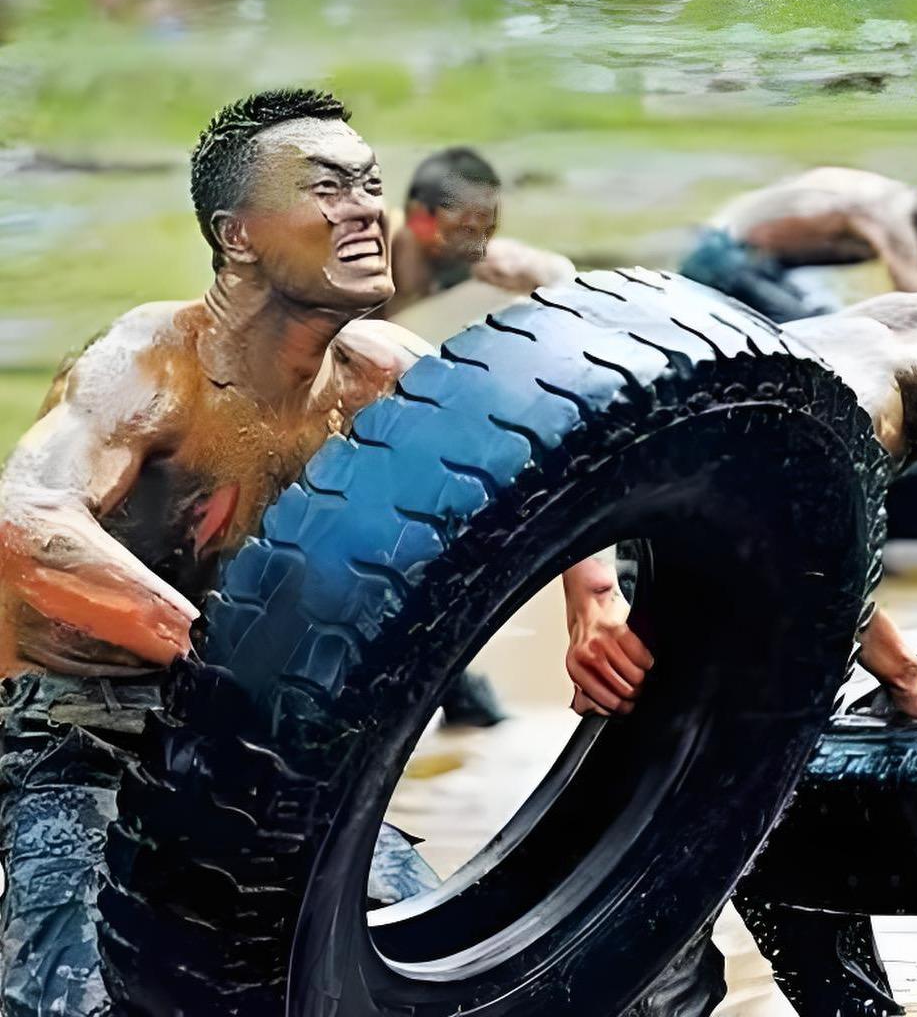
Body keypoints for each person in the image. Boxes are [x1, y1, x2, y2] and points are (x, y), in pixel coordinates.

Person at [0, 88, 440, 1017]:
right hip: (75, 725)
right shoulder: (146, 366)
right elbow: (22, 521)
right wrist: (214, 653)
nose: (367, 209)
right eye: (328, 189)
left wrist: (592, 600)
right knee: (72, 995)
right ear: (237, 236)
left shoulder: (387, 374)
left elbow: (555, 447)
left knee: (434, 952)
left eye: (370, 183)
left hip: (260, 730)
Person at [563, 289, 917, 1017]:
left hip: (769, 562)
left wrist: (903, 681)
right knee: (661, 901)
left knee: (795, 840)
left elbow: (826, 557)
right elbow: (597, 428)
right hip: (693, 557)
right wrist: (594, 591)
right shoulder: (870, 410)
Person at [679, 166, 917, 323]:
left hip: (765, 266)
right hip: (720, 256)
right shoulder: (891, 214)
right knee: (819, 335)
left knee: (829, 317)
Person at [382, 146, 576, 317]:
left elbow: (560, 274)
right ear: (420, 216)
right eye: (467, 228)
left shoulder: (491, 265)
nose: (478, 244)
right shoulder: (373, 246)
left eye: (488, 228)